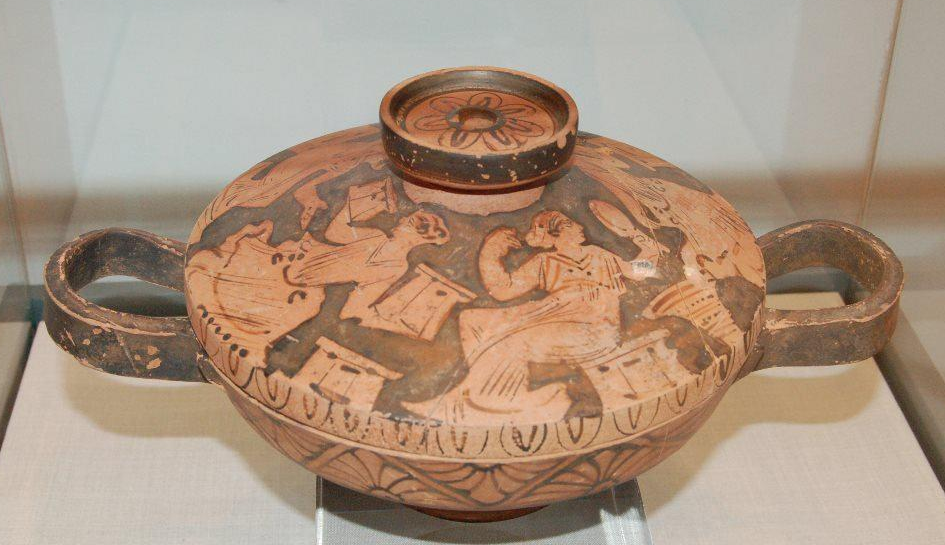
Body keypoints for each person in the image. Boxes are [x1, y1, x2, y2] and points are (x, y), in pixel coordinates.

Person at [403, 210, 660, 425]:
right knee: (472, 320)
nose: (580, 226)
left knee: (511, 342)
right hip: (555, 316)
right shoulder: (545, 261)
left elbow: (637, 271)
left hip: (595, 327)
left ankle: (497, 401)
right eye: (570, 224)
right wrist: (490, 252)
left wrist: (650, 249)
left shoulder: (599, 254)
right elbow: (503, 290)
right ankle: (481, 394)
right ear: (554, 233)